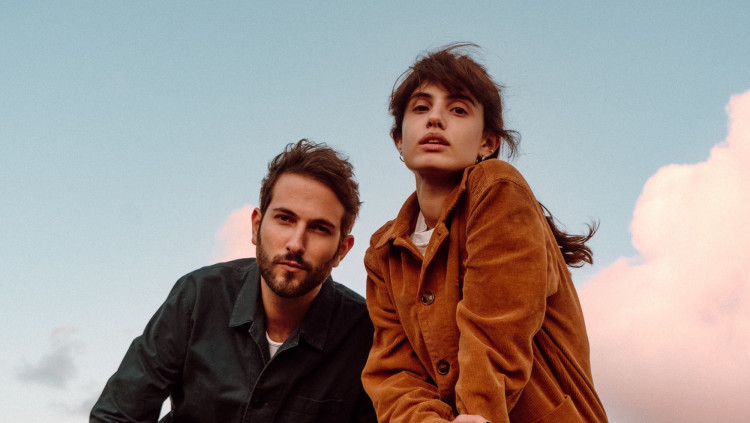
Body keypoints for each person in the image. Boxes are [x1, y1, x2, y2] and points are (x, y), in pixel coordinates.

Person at [361, 44, 608, 423]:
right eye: (421, 108)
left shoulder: (497, 187)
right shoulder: (384, 251)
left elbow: (497, 330)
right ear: (399, 138)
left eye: (458, 110)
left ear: (487, 143)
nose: (435, 119)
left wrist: (478, 414)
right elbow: (395, 376)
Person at [91, 139, 377, 423]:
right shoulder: (198, 297)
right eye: (284, 219)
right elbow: (116, 416)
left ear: (342, 250)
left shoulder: (366, 335)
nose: (296, 243)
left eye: (319, 228)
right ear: (256, 226)